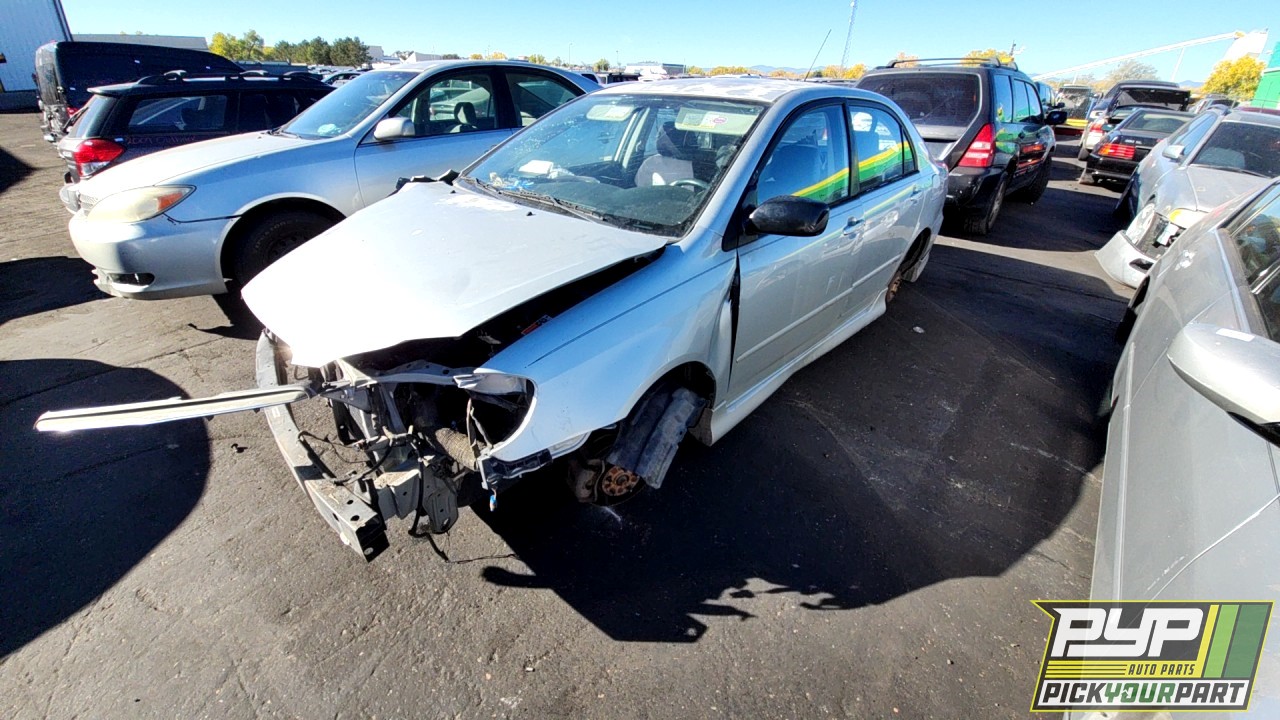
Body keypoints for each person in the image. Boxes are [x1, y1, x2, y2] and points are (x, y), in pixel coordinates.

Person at [635, 121, 695, 187]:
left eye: (659, 135)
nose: (656, 137)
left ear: (668, 140)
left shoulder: (651, 163)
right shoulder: (698, 164)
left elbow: (641, 189)